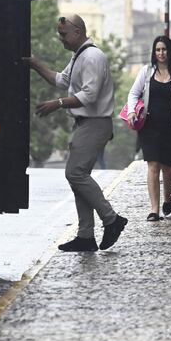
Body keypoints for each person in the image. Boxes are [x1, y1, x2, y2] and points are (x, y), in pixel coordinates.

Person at [25, 14, 127, 252]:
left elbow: (89, 96)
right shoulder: (80, 55)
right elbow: (61, 80)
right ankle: (85, 235)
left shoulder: (92, 57)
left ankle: (111, 219)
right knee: (78, 178)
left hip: (94, 122)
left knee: (75, 174)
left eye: (63, 34)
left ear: (78, 32)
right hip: (85, 123)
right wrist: (35, 63)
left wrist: (57, 104)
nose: (60, 38)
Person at [127, 36, 171, 221]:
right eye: (158, 50)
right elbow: (133, 94)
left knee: (169, 168)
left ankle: (167, 196)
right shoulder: (146, 72)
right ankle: (154, 210)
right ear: (154, 52)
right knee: (153, 165)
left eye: (164, 49)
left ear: (169, 51)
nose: (161, 53)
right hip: (149, 126)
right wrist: (132, 111)